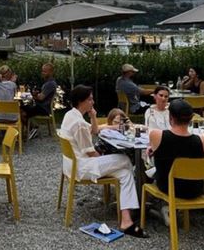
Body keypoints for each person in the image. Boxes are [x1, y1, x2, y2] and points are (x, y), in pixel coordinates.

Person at [59, 85, 148, 238]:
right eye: (90, 99)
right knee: (125, 159)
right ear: (81, 101)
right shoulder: (78, 123)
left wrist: (93, 116)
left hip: (70, 165)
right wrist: (109, 161)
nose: (92, 102)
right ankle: (141, 193)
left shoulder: (70, 115)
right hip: (83, 167)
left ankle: (126, 220)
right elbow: (92, 153)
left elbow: (94, 130)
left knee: (125, 173)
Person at [148, 99, 204, 199]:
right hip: (195, 190)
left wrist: (153, 148)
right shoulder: (203, 141)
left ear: (170, 117)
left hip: (168, 188)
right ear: (191, 118)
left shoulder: (156, 135)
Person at [23, 63, 57, 139]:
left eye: (45, 71)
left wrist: (34, 95)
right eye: (42, 71)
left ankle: (33, 129)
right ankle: (30, 129)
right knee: (22, 108)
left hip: (43, 108)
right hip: (41, 106)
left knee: (21, 111)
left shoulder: (50, 84)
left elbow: (41, 98)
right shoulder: (47, 83)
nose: (43, 73)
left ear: (51, 72)